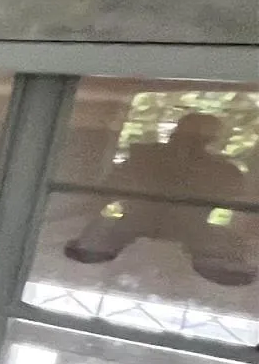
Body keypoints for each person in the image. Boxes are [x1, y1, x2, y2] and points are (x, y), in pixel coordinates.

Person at [64, 112, 253, 286]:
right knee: (89, 247)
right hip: (133, 225)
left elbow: (241, 207)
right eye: (186, 137)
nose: (187, 145)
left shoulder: (224, 171)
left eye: (195, 138)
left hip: (191, 231)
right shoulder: (142, 159)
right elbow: (103, 194)